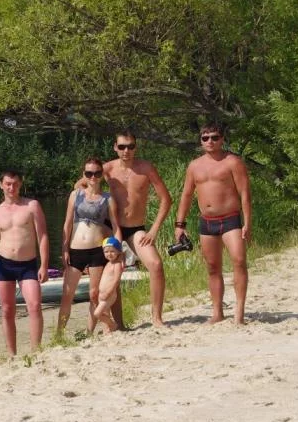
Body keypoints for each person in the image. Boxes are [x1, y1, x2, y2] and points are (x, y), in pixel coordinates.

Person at [174, 123, 253, 325]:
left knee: (239, 260)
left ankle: (239, 311)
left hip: (230, 219)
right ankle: (217, 312)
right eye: (205, 138)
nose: (210, 141)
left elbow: (244, 193)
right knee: (212, 267)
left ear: (222, 139)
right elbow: (186, 195)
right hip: (207, 222)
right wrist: (180, 224)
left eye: (215, 137)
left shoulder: (232, 162)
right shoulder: (194, 166)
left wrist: (247, 222)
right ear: (201, 141)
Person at [102, 130, 172, 328]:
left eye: (130, 146)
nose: (126, 151)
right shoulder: (107, 169)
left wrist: (154, 230)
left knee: (156, 265)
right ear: (115, 147)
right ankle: (118, 325)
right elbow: (81, 185)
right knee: (111, 275)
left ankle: (156, 318)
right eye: (122, 147)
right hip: (112, 228)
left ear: (136, 147)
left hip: (136, 229)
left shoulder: (146, 168)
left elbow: (166, 199)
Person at [0, 170, 50, 354]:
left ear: (20, 184)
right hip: (4, 265)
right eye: (8, 184)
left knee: (34, 305)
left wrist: (44, 265)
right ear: (1, 185)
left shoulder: (32, 206)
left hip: (28, 264)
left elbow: (42, 236)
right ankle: (12, 353)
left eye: (15, 184)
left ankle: (36, 350)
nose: (12, 188)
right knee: (7, 310)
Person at [57, 158, 122, 336]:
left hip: (97, 251)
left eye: (97, 173)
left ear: (102, 174)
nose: (93, 177)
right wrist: (64, 248)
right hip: (75, 250)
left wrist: (118, 250)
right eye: (89, 173)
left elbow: (116, 226)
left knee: (94, 294)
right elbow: (67, 224)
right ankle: (59, 335)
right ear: (84, 174)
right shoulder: (75, 195)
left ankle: (89, 332)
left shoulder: (108, 198)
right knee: (67, 295)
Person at [93, 238, 127, 333]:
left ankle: (113, 325)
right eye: (106, 252)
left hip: (109, 294)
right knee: (105, 313)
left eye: (112, 251)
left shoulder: (117, 265)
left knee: (97, 313)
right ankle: (108, 330)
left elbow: (116, 280)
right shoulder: (108, 263)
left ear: (118, 251)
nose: (109, 254)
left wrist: (109, 292)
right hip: (102, 294)